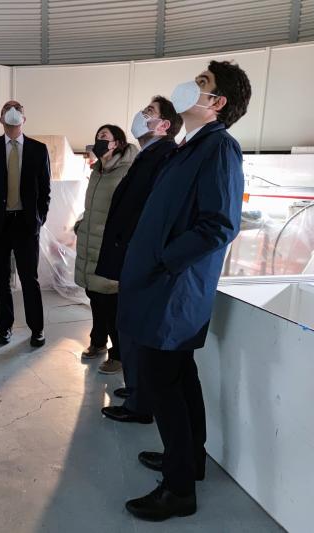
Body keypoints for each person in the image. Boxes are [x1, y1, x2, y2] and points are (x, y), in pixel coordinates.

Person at [117, 61, 251, 521]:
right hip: (163, 284)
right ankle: (189, 460)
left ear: (217, 103)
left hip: (174, 289)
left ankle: (178, 491)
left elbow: (219, 225)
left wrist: (164, 260)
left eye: (202, 84)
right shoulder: (188, 147)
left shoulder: (219, 149)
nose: (190, 87)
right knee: (178, 378)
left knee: (161, 383)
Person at [96, 97, 182, 424]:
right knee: (128, 328)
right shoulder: (148, 155)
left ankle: (139, 403)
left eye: (149, 113)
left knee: (135, 333)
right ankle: (137, 390)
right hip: (131, 257)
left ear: (164, 126)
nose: (141, 116)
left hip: (142, 260)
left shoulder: (165, 157)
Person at [0, 100, 51, 347]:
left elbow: (45, 190)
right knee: (1, 279)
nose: (13, 111)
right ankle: (5, 326)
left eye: (18, 108)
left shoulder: (39, 150)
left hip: (26, 224)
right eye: (8, 108)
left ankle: (37, 329)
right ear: (1, 119)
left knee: (30, 279)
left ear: (24, 119)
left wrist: (39, 219)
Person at [74, 125, 138, 372]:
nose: (98, 141)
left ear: (117, 143)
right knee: (94, 297)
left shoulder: (126, 172)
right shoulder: (98, 170)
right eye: (97, 136)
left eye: (104, 137)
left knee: (110, 303)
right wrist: (81, 224)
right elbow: (93, 209)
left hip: (109, 246)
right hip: (90, 241)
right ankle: (98, 342)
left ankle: (119, 355)